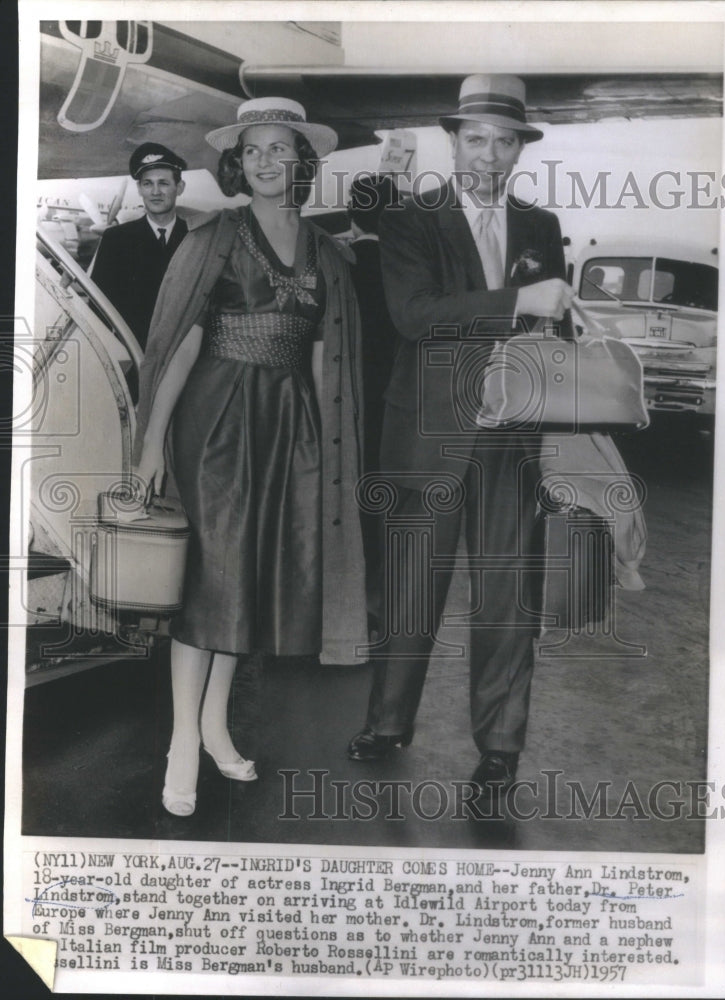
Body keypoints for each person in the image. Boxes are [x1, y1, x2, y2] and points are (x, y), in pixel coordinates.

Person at [133, 98, 367, 817]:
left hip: (290, 427)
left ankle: (214, 725)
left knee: (251, 579)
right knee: (212, 581)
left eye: (281, 149)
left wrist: (332, 458)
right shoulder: (215, 236)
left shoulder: (329, 250)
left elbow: (329, 361)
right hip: (217, 421)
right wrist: (149, 445)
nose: (268, 161)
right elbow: (179, 346)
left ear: (302, 160)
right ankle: (180, 742)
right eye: (255, 150)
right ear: (239, 162)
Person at [346, 75, 574, 804]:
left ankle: (500, 749)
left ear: (518, 149)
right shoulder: (411, 219)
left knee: (507, 596)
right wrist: (518, 301)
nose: (489, 153)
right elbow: (413, 315)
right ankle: (387, 724)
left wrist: (547, 324)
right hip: (426, 435)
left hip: (511, 439)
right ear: (453, 141)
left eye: (504, 140)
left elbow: (553, 333)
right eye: (475, 138)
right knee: (412, 590)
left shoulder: (538, 227)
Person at [347, 173, 401, 628]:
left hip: (345, 400)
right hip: (393, 403)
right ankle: (379, 599)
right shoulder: (405, 271)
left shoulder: (340, 264)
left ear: (351, 214)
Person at [91, 142, 188, 352]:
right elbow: (99, 307)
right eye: (147, 184)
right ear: (139, 189)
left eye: (163, 183)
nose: (155, 192)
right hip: (134, 354)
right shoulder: (116, 240)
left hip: (186, 357)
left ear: (179, 187)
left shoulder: (195, 238)